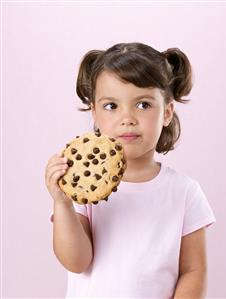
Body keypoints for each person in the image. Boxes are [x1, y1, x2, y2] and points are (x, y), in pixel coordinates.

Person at [45, 42, 216, 298]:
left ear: (167, 112)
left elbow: (194, 270)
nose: (128, 118)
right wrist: (61, 204)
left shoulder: (184, 192)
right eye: (112, 106)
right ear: (95, 113)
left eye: (143, 105)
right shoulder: (82, 189)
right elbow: (76, 262)